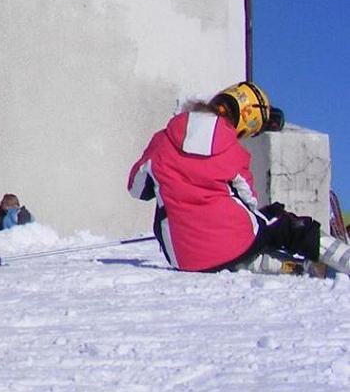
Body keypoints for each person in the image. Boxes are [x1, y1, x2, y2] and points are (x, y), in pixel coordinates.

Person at [126, 81, 350, 275]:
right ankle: (341, 259)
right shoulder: (233, 150)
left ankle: (292, 267)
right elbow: (249, 203)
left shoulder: (161, 141)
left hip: (183, 257)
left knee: (233, 245)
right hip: (232, 244)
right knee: (282, 225)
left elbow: (136, 189)